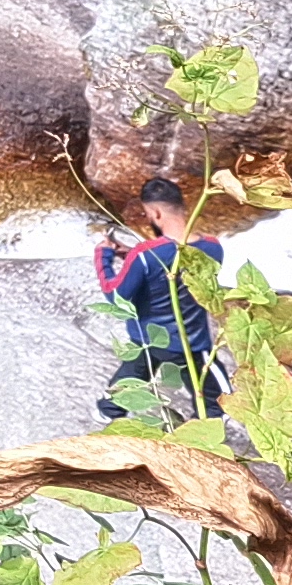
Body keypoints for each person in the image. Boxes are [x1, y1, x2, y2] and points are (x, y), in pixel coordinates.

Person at [93, 176, 231, 416]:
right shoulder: (213, 247)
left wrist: (103, 256)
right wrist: (133, 257)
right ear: (183, 207)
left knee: (133, 375)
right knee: (219, 401)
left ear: (156, 213)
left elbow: (116, 296)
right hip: (190, 344)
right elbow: (178, 270)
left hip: (148, 339)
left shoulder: (146, 255)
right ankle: (201, 436)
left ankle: (108, 411)